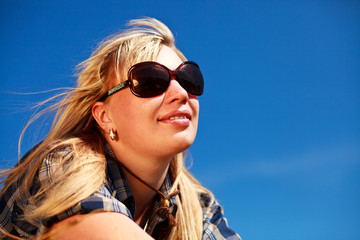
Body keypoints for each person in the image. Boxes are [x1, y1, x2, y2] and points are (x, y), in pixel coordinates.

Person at [0, 17, 241, 240]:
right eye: (151, 81)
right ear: (104, 116)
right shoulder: (62, 168)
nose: (181, 94)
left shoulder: (198, 207)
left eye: (188, 79)